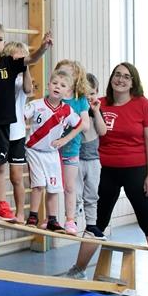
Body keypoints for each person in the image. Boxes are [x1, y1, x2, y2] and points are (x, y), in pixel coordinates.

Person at [65, 63, 148, 296]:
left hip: (137, 171)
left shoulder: (142, 105)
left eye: (126, 77)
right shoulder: (99, 103)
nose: (121, 80)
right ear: (111, 79)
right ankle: (77, 270)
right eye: (117, 75)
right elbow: (72, 110)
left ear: (133, 82)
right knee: (95, 223)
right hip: (105, 171)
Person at [0, 21, 53, 222]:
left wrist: (43, 48)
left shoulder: (10, 67)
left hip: (8, 128)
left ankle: (10, 208)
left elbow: (32, 60)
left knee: (4, 169)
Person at [24, 70, 83, 232]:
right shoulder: (36, 104)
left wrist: (64, 139)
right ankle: (33, 215)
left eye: (63, 85)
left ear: (68, 91)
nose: (58, 87)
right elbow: (20, 116)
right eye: (55, 83)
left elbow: (80, 125)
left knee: (54, 187)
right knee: (39, 185)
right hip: (34, 150)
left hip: (52, 154)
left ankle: (52, 219)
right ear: (48, 85)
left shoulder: (67, 111)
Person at [54, 59, 91, 235]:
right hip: (51, 149)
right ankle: (51, 218)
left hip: (70, 149)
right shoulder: (54, 97)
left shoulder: (80, 100)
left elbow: (85, 125)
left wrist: (66, 138)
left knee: (69, 186)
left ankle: (70, 219)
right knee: (51, 186)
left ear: (76, 79)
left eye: (68, 75)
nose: (64, 78)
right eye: (60, 73)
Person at [2, 41, 33, 222]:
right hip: (1, 131)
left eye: (23, 56)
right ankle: (1, 206)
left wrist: (26, 66)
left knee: (16, 177)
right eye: (16, 56)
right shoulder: (4, 76)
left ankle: (20, 212)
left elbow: (28, 90)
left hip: (17, 134)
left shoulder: (22, 79)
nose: (20, 59)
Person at [79, 73, 107, 240]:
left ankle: (91, 224)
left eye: (92, 93)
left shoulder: (97, 111)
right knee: (74, 193)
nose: (89, 97)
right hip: (76, 159)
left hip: (93, 160)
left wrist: (96, 111)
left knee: (92, 194)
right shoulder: (78, 110)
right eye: (85, 93)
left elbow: (103, 131)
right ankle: (72, 221)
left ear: (97, 92)